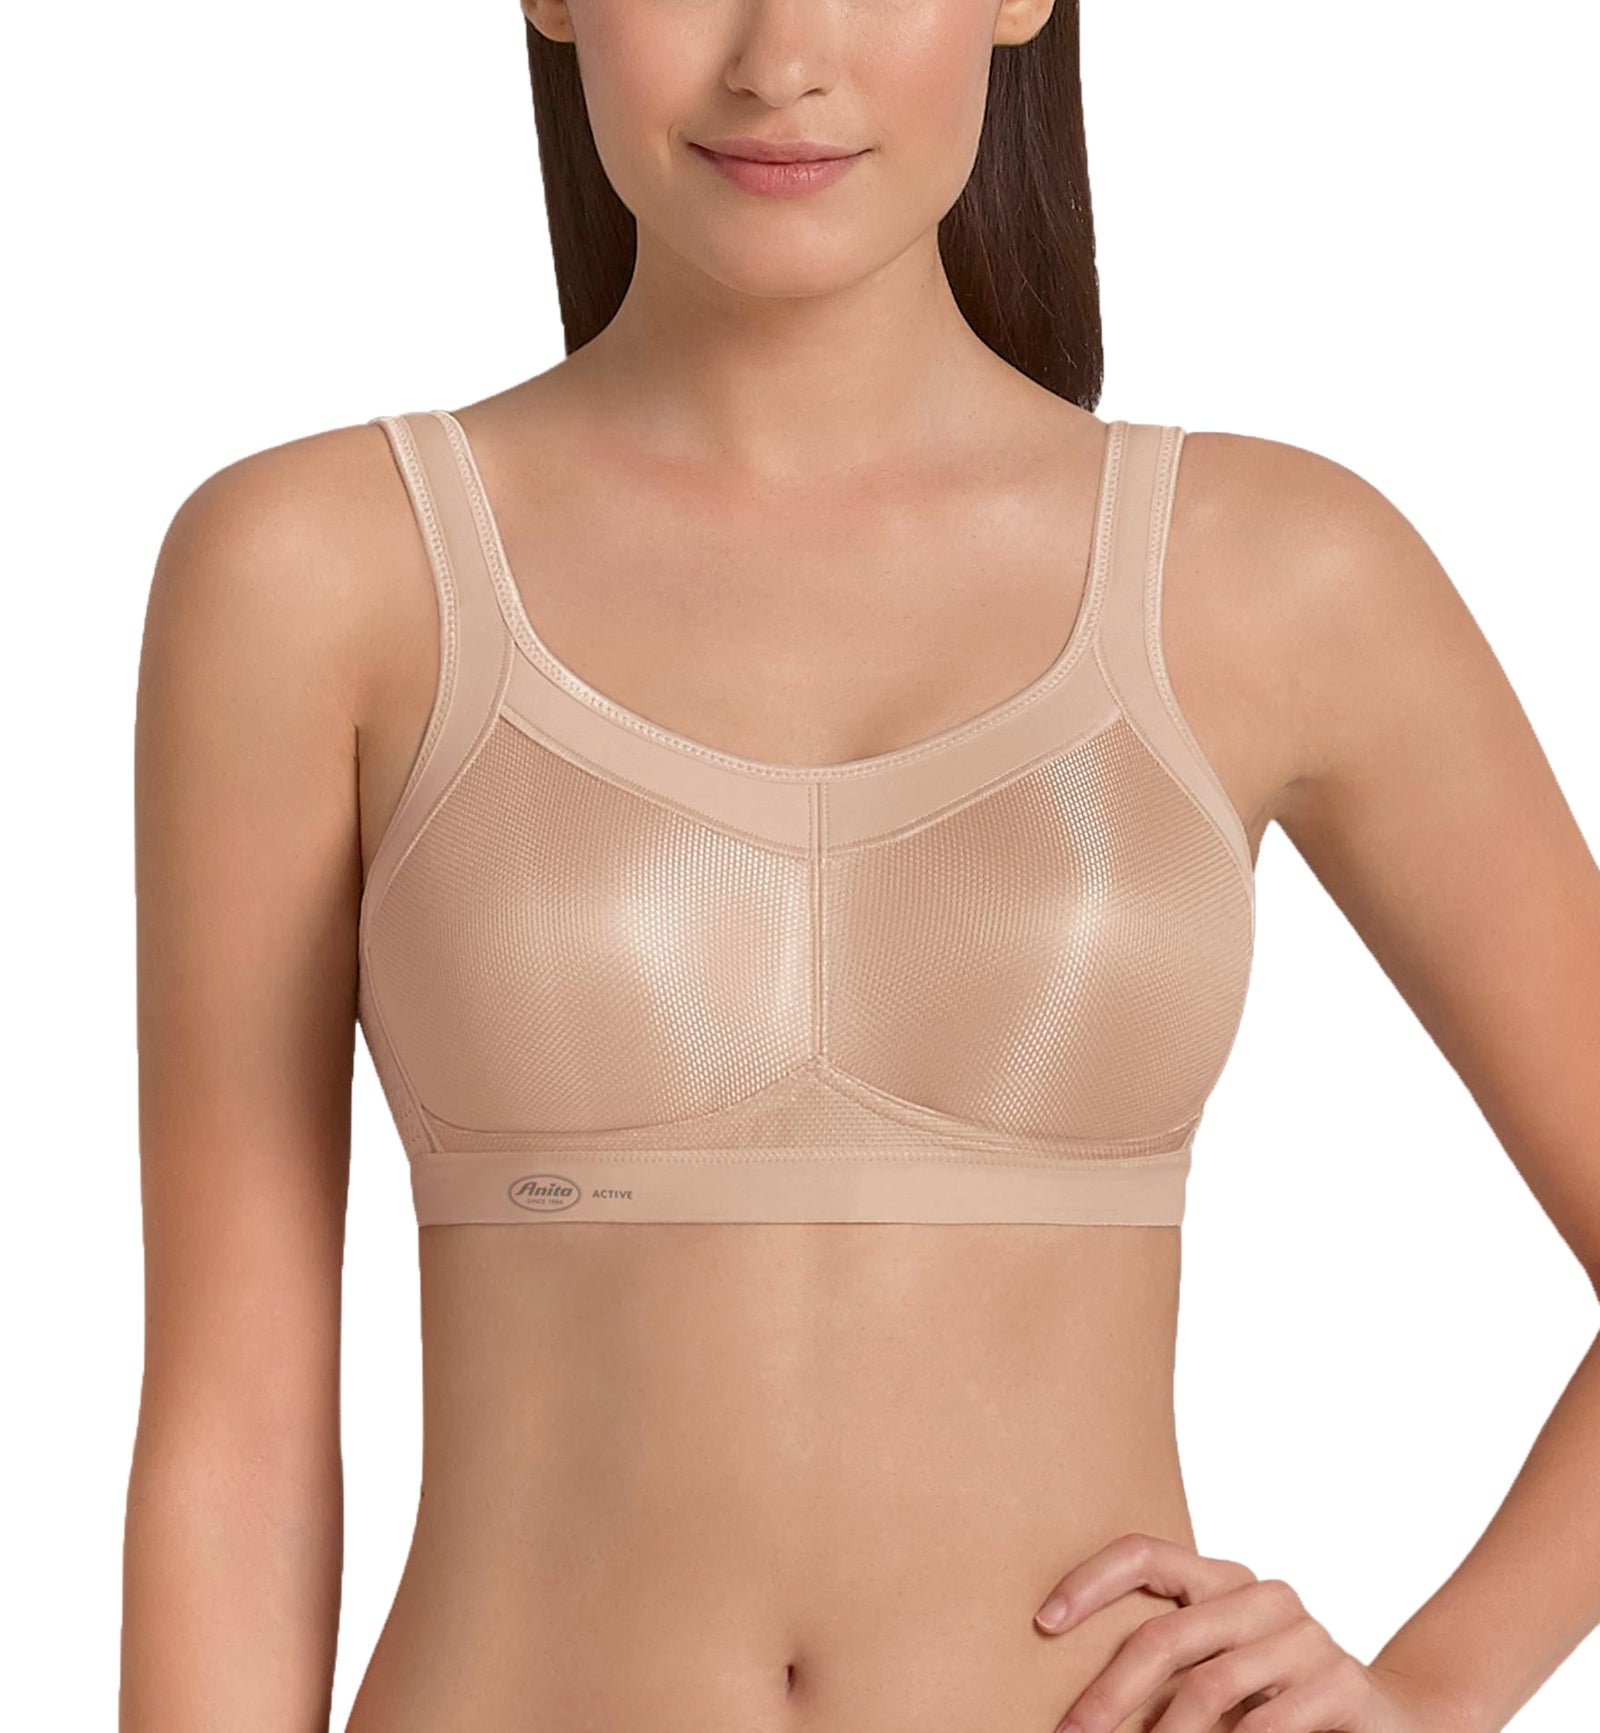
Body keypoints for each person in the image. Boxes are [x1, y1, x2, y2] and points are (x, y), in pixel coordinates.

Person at [120, 0, 1600, 1728]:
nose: (779, 59)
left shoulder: (1277, 574)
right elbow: (234, 1433)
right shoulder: (316, 570)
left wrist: (1434, 1690)